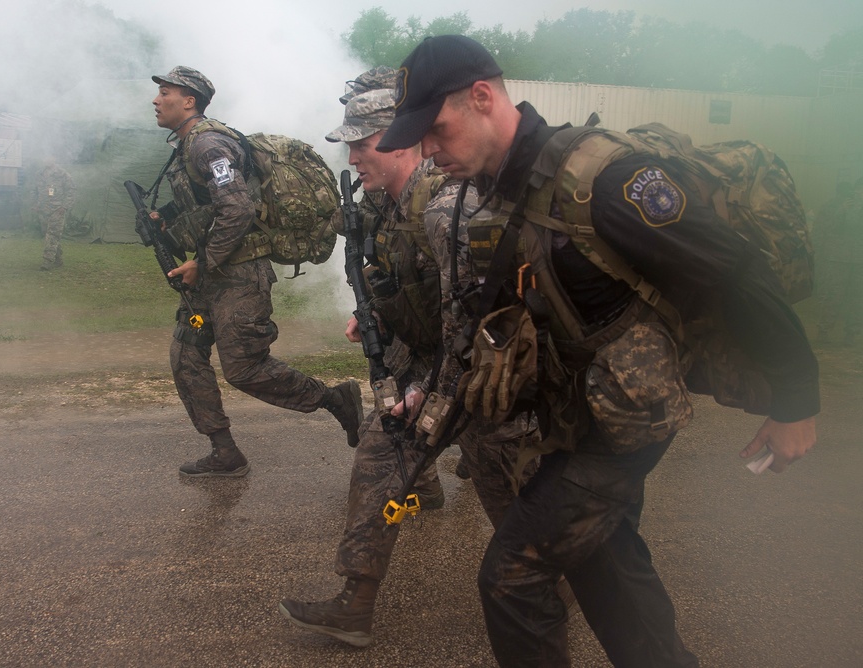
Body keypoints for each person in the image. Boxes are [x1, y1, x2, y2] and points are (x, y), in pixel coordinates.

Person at [376, 35, 820, 667]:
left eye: (436, 130)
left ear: (482, 97)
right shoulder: (506, 188)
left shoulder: (606, 180)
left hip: (628, 420)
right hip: (582, 413)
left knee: (512, 575)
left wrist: (797, 399)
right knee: (603, 566)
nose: (428, 150)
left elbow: (736, 271)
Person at [278, 80, 540, 648]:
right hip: (430, 359)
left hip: (483, 372)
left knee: (510, 500)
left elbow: (472, 320)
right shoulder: (378, 203)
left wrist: (432, 394)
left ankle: (563, 585)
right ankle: (355, 603)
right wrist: (375, 314)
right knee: (382, 447)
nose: (350, 158)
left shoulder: (446, 206)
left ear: (400, 142)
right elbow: (395, 276)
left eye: (361, 145)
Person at [149, 66, 363, 476]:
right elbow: (210, 208)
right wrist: (170, 222)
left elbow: (239, 209)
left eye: (166, 92)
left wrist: (203, 262)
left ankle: (335, 399)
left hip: (238, 276)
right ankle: (225, 452)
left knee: (244, 367)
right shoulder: (188, 145)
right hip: (210, 278)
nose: (157, 99)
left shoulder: (209, 144)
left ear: (189, 100)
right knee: (186, 356)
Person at [815, 179, 863, 345]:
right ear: (854, 191)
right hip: (839, 258)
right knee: (833, 294)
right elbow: (828, 229)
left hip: (859, 260)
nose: (860, 194)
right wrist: (842, 211)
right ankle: (824, 330)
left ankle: (851, 333)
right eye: (858, 190)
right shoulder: (839, 207)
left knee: (857, 297)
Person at [34, 160, 75, 270]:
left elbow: (71, 191)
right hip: (43, 210)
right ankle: (58, 259)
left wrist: (64, 206)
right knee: (47, 235)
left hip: (57, 210)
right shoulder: (39, 174)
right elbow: (35, 190)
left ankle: (47, 261)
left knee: (52, 234)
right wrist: (36, 204)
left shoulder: (62, 174)